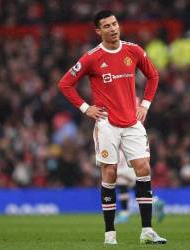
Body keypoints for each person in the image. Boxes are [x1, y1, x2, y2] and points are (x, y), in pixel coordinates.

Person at [58, 10, 167, 245]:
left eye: (115, 23)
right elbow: (65, 83)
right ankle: (110, 235)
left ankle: (147, 231)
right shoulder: (92, 57)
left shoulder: (133, 50)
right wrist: (86, 108)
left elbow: (153, 75)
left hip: (132, 122)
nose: (113, 28)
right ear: (99, 31)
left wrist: (145, 105)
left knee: (143, 167)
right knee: (110, 173)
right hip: (107, 123)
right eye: (106, 26)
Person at [115, 149, 166, 224]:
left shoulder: (116, 147)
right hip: (132, 166)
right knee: (138, 188)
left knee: (123, 185)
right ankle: (155, 200)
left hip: (123, 167)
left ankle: (124, 214)